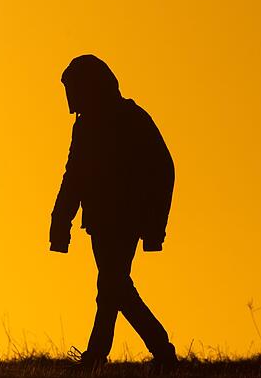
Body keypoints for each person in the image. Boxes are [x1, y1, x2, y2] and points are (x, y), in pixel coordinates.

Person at [50, 54, 178, 372]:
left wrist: (153, 227)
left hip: (126, 221)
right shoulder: (84, 127)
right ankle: (149, 351)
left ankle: (130, 351)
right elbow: (74, 175)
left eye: (75, 89)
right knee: (113, 287)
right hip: (99, 222)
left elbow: (163, 171)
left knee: (112, 285)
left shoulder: (132, 120)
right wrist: (59, 223)